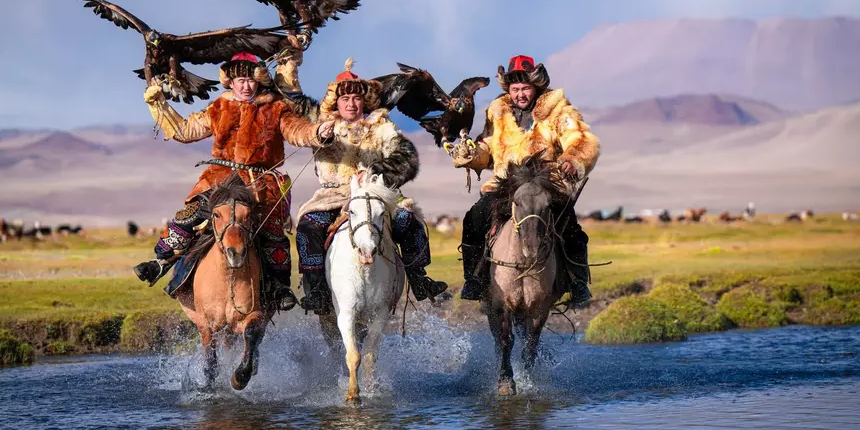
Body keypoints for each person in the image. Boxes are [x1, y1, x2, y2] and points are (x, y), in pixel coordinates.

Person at [132, 52, 334, 312]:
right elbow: (184, 130)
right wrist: (159, 104)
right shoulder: (219, 106)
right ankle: (160, 263)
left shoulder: (276, 107)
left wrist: (318, 132)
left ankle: (279, 288)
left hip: (261, 181)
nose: (245, 86)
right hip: (220, 179)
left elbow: (298, 131)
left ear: (259, 80)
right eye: (239, 80)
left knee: (272, 231)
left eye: (250, 80)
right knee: (189, 216)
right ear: (230, 82)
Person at [294, 58, 448, 315]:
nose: (351, 104)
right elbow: (293, 97)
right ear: (336, 102)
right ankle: (318, 287)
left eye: (356, 98)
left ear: (364, 101)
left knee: (407, 221)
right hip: (332, 195)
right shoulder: (321, 123)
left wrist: (379, 175)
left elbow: (405, 153)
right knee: (309, 225)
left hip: (374, 193)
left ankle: (419, 278)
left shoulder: (381, 126)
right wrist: (291, 59)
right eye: (345, 99)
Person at [451, 54, 600, 308]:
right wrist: (472, 154)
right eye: (515, 88)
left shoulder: (558, 112)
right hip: (504, 185)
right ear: (508, 89)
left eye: (525, 88)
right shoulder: (498, 113)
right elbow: (488, 147)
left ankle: (577, 282)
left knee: (570, 226)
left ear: (536, 86)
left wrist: (571, 159)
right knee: (474, 218)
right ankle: (473, 279)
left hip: (545, 184)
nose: (520, 94)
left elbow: (580, 140)